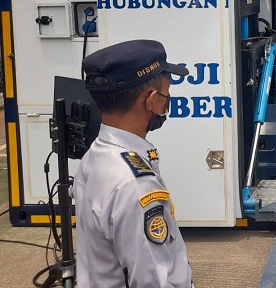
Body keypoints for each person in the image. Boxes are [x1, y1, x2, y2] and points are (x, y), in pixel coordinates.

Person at [72, 39, 193, 288]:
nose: (168, 99)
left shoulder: (95, 156)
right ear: (150, 100)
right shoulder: (135, 185)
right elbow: (152, 281)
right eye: (166, 93)